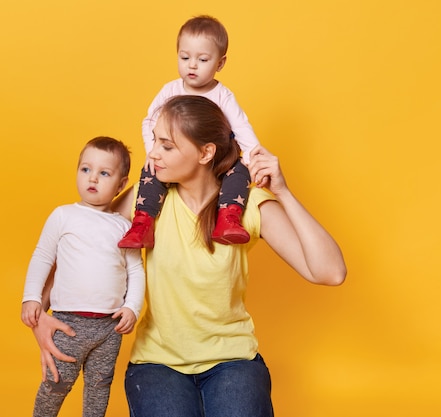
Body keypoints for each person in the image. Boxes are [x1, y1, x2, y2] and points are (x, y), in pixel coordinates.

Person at [32, 96, 347, 417]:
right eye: (155, 140)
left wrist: (283, 192)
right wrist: (39, 316)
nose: (153, 153)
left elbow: (330, 272)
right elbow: (82, 243)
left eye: (167, 146)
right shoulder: (145, 200)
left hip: (232, 360)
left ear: (205, 152)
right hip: (157, 363)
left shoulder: (247, 204)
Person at [21, 136, 145, 417]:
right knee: (55, 383)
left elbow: (136, 270)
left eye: (104, 173)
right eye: (85, 169)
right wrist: (31, 298)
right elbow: (42, 257)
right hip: (68, 323)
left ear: (121, 184)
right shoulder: (63, 215)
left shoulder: (123, 226)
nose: (93, 178)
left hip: (109, 327)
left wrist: (132, 307)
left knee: (99, 387)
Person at [118, 15, 262, 249]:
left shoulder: (222, 95)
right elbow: (149, 121)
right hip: (180, 162)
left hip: (218, 160)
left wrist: (255, 155)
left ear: (220, 63)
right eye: (184, 57)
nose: (192, 65)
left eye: (202, 59)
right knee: (150, 174)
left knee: (240, 170)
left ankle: (229, 218)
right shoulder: (170, 90)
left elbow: (241, 126)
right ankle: (143, 225)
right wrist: (153, 151)